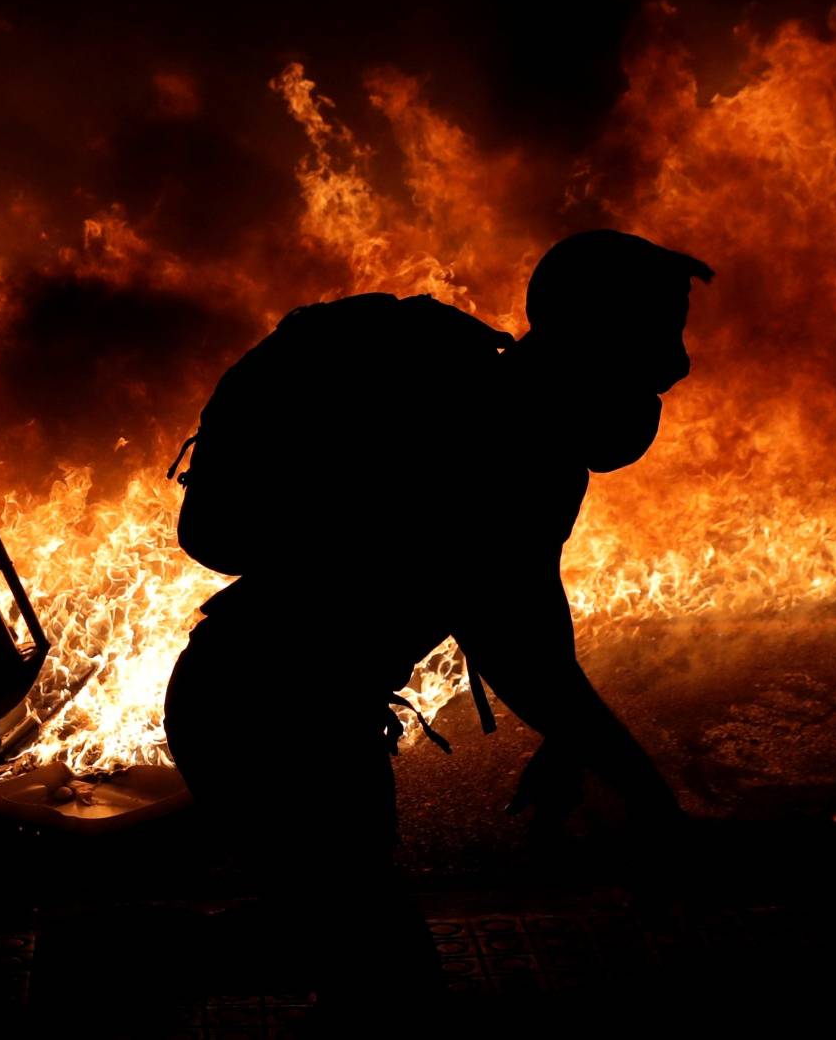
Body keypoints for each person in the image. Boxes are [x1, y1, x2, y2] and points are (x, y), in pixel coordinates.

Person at [163, 228, 712, 1018]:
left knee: (349, 945)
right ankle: (115, 966)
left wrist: (566, 740)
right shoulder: (499, 441)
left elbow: (529, 603)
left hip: (283, 713)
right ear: (591, 333)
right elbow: (515, 642)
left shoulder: (521, 431)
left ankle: (129, 966)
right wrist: (653, 807)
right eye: (660, 332)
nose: (677, 361)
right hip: (268, 722)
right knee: (380, 974)